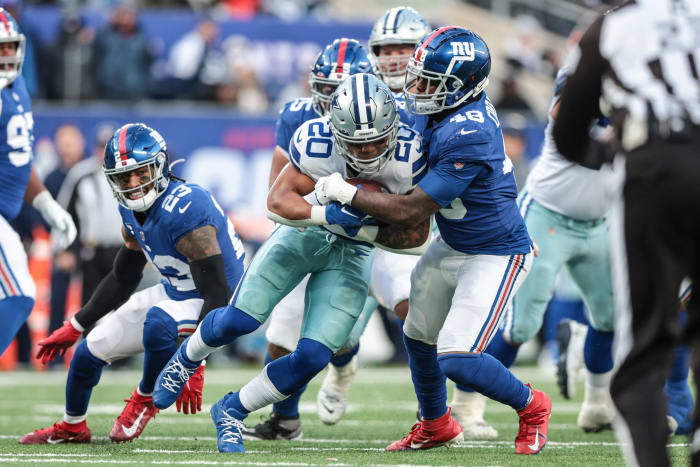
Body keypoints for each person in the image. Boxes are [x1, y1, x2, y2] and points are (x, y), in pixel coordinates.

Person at [152, 73, 430, 454]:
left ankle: (231, 410)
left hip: (355, 252)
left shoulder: (410, 154)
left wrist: (363, 230)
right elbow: (277, 202)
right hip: (304, 235)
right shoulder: (317, 142)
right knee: (241, 319)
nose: (367, 153)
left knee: (314, 356)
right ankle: (186, 359)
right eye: (356, 143)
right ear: (337, 133)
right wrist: (325, 216)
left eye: (377, 141)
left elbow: (417, 235)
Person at [314, 27, 551, 455]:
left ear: (464, 87)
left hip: (495, 252)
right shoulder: (444, 106)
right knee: (417, 335)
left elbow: (410, 210)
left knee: (457, 357)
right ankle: (434, 423)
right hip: (454, 242)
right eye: (419, 76)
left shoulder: (469, 131)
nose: (417, 88)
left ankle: (533, 406)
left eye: (430, 83)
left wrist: (347, 193)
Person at [19, 123, 246, 444]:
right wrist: (77, 324)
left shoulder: (185, 206)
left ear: (160, 166)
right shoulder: (128, 210)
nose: (134, 184)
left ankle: (145, 398)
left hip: (224, 299)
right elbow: (124, 277)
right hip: (176, 290)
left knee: (158, 322)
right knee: (87, 352)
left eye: (141, 173)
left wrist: (194, 360)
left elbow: (217, 292)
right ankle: (73, 427)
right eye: (125, 177)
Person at [551, 2, 700, 466]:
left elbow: (568, 124)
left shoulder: (612, 27)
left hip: (654, 166)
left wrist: (607, 154)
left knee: (643, 344)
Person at [243, 38, 375, 441]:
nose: (330, 99)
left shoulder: (389, 113)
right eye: (325, 88)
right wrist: (321, 208)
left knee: (408, 312)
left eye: (341, 91)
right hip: (318, 227)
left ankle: (436, 416)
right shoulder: (297, 115)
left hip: (372, 233)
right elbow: (278, 193)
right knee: (282, 336)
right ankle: (285, 421)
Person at [0, 8, 76, 356]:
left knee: (18, 295)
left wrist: (45, 202)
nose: (7, 54)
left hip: (7, 214)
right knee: (19, 294)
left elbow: (18, 159)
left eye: (9, 46)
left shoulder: (17, 89)